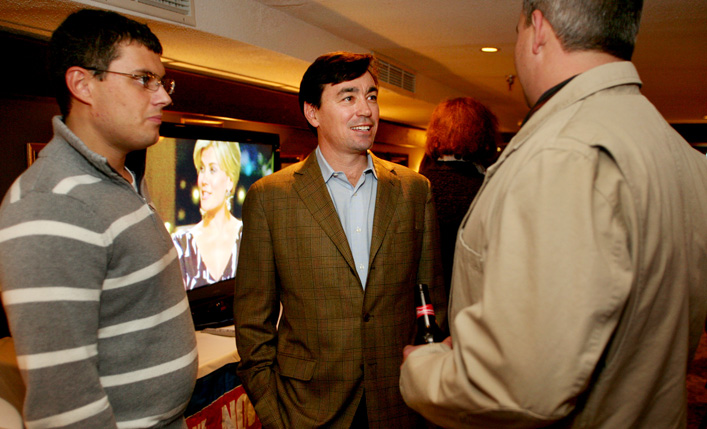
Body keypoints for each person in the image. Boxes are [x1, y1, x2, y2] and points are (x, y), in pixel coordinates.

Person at [400, 0, 707, 427]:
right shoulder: (683, 155)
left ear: (538, 29)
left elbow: (521, 385)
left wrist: (423, 369)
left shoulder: (565, 155)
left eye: (517, 31)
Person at [0, 9, 198, 427]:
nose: (164, 97)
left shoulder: (122, 177)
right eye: (144, 80)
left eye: (163, 82)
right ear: (82, 84)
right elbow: (63, 400)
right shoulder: (53, 202)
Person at [234, 51, 446, 428]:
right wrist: (272, 411)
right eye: (348, 97)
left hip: (399, 404)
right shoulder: (270, 198)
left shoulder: (415, 191)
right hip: (306, 409)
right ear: (312, 113)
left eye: (371, 96)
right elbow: (253, 323)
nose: (365, 109)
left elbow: (433, 303)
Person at [418, 97, 500, 297]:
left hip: (426, 296)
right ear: (484, 133)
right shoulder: (488, 188)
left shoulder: (420, 184)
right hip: (475, 293)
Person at [172, 139, 242, 290]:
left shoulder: (250, 237)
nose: (203, 180)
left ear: (230, 181)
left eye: (213, 170)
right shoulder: (180, 244)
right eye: (202, 169)